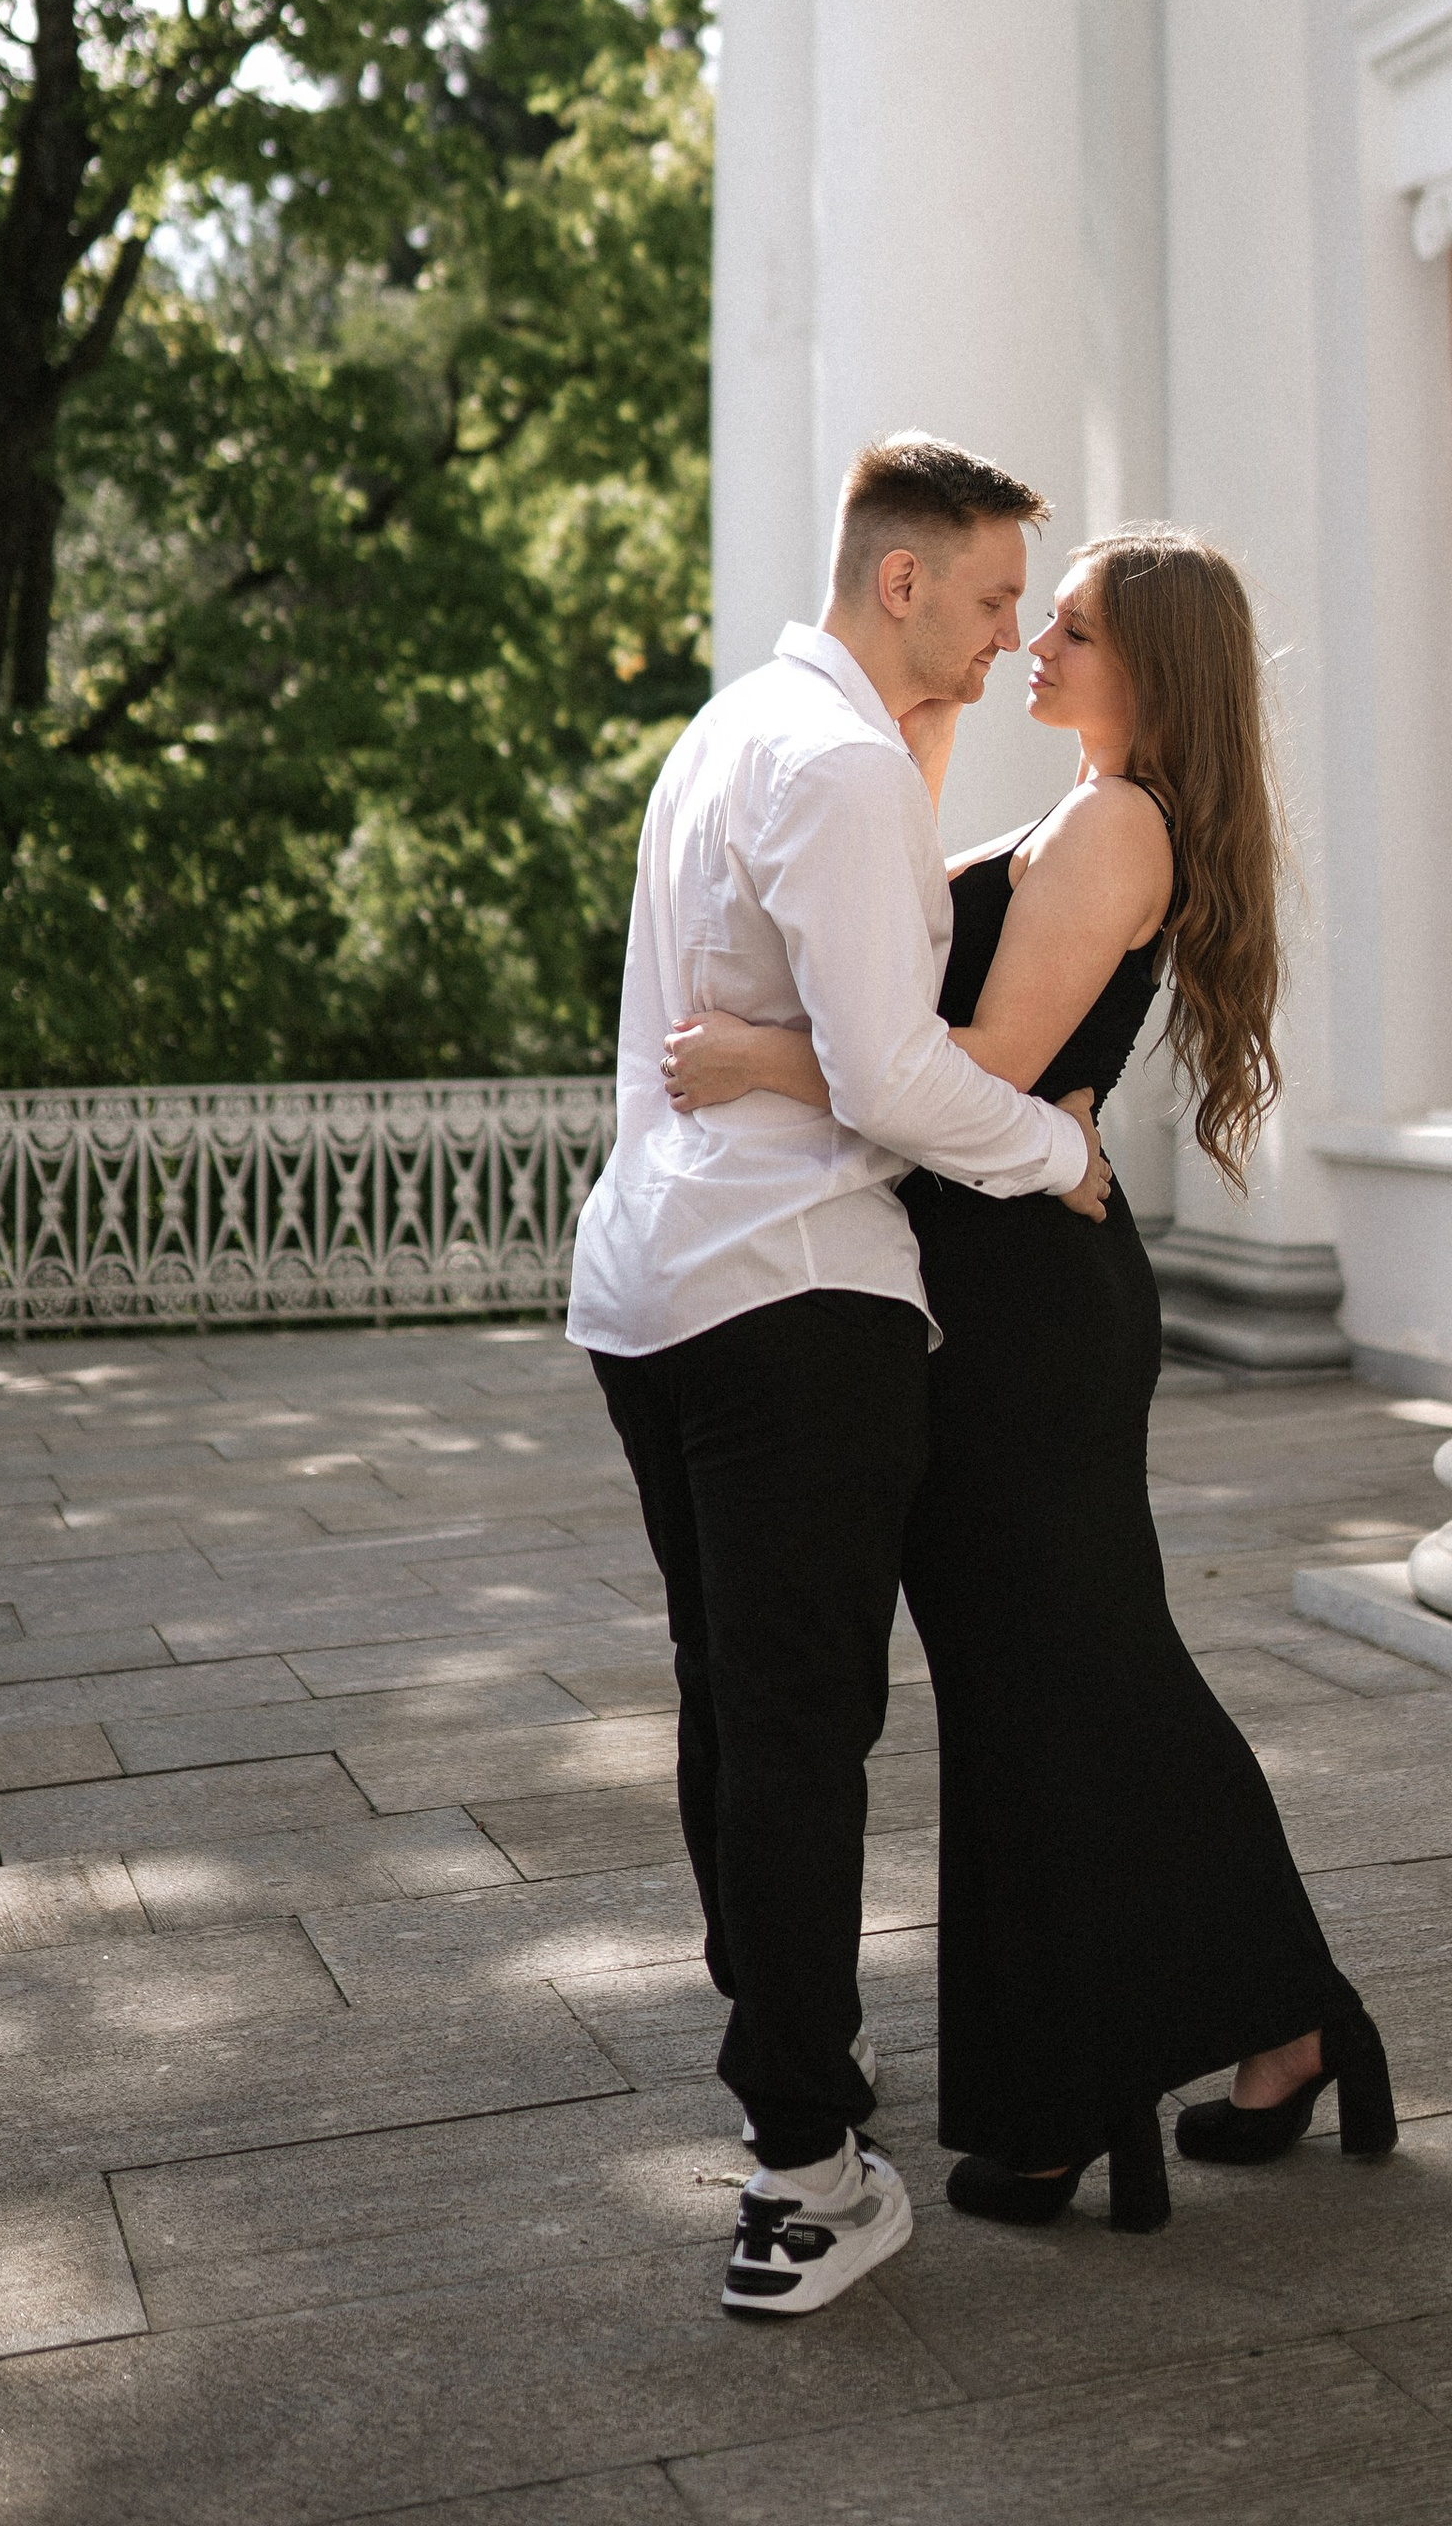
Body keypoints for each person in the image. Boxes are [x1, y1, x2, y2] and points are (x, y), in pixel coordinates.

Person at [664, 523, 1395, 2232]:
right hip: (988, 1283)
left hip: (1029, 1314)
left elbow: (970, 1069)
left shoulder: (1117, 822)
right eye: (1033, 617)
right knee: (1051, 1685)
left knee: (1067, 1685)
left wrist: (757, 1056)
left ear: (1152, 666)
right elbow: (918, 962)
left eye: (1067, 627)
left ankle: (1099, 2084)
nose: (1034, 646)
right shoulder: (1082, 810)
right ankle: (1257, 2027)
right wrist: (914, 716)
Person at [571, 432, 1118, 2322]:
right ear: (903, 580)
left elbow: (801, 1012)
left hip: (652, 1288)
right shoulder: (844, 766)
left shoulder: (735, 730)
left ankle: (790, 2071)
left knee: (734, 1715)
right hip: (796, 1294)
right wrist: (1056, 1154)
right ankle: (803, 2178)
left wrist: (925, 733)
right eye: (987, 600)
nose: (1005, 640)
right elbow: (892, 1075)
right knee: (801, 1735)